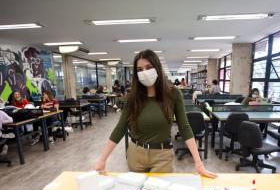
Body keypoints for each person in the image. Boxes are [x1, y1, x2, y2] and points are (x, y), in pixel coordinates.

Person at [92, 49, 216, 178]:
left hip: (162, 156)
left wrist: (198, 163)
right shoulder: (133, 97)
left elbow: (184, 127)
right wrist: (101, 160)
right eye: (139, 70)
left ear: (157, 67)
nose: (144, 72)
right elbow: (120, 128)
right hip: (136, 154)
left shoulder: (173, 93)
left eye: (149, 67)